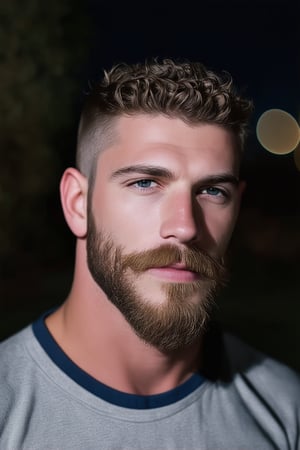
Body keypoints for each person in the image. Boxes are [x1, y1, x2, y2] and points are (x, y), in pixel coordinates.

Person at [1, 58, 299, 450]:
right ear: (77, 203)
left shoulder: (285, 408)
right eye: (145, 182)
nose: (186, 226)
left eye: (213, 191)